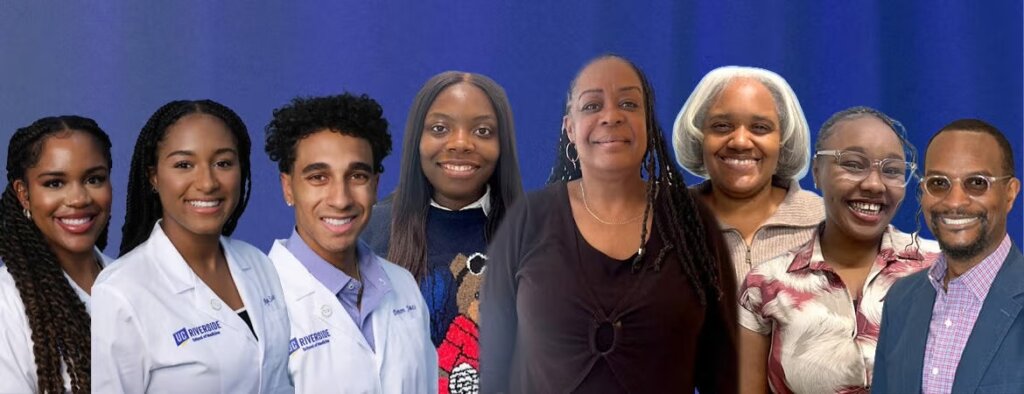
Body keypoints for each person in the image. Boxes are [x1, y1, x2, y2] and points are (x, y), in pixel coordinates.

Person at [480, 55, 736, 393]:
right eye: (592, 106)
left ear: (648, 124)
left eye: (629, 104)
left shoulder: (691, 220)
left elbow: (724, 373)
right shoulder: (527, 220)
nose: (611, 116)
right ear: (570, 128)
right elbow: (494, 371)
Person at [90, 100, 292, 392]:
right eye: (184, 165)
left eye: (223, 163)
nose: (207, 183)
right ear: (153, 177)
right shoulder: (121, 290)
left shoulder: (259, 263)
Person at [737, 107, 941, 393]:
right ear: (817, 172)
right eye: (854, 165)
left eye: (892, 170)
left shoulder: (941, 269)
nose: (874, 184)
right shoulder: (766, 283)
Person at [362, 71, 522, 393]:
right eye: (439, 128)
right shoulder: (369, 232)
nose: (460, 143)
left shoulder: (535, 235)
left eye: (482, 131)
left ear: (502, 144)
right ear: (416, 140)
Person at [263, 93, 436, 393]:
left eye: (357, 176)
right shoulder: (257, 306)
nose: (341, 199)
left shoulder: (404, 286)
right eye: (319, 177)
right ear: (288, 187)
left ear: (375, 186)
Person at [873, 119, 1023, 393]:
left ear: (1010, 194)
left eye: (976, 183)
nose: (954, 201)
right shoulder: (900, 300)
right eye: (939, 183)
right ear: (923, 193)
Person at [673, 66, 824, 285]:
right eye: (722, 126)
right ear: (699, 136)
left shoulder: (830, 225)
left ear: (783, 140)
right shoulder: (660, 225)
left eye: (760, 127)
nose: (740, 142)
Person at [0, 116, 114, 393]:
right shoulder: (7, 302)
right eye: (54, 183)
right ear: (24, 194)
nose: (79, 199)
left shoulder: (136, 280)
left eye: (94, 179)